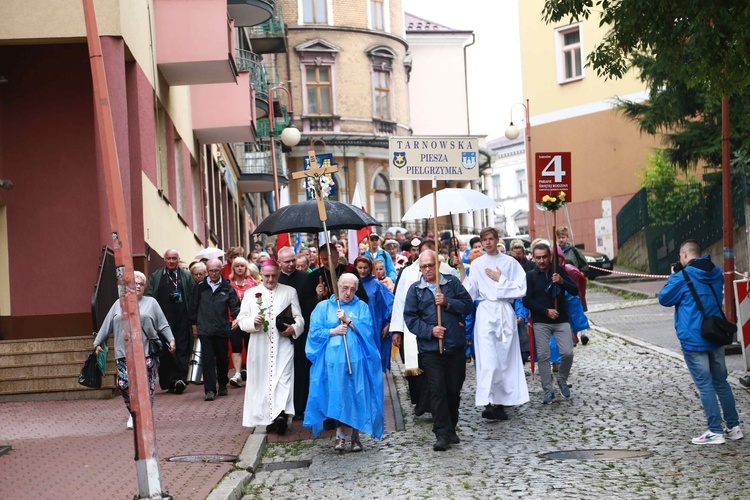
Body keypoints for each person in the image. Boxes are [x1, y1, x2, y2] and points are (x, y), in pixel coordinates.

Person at [658, 240, 743, 444]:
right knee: (721, 382)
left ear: (685, 254)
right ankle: (733, 427)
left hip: (694, 338)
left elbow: (664, 298)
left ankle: (715, 431)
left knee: (704, 385)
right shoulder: (716, 272)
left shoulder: (682, 276)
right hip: (714, 335)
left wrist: (674, 276)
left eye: (680, 256)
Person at [304, 273, 384, 451]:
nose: (348, 293)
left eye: (352, 289)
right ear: (337, 287)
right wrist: (333, 330)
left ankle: (356, 436)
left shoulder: (362, 307)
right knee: (337, 396)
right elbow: (314, 332)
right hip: (332, 362)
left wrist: (349, 321)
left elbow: (369, 332)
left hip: (357, 361)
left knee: (357, 394)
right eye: (344, 288)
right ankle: (340, 435)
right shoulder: (323, 307)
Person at [404, 250, 474, 451]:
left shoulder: (451, 283)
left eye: (430, 266)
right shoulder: (416, 290)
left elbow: (468, 305)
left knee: (453, 388)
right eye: (423, 267)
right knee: (437, 390)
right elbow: (410, 318)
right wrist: (430, 331)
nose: (427, 270)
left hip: (454, 345)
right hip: (430, 349)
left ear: (437, 266)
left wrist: (447, 302)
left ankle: (451, 426)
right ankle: (441, 432)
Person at [460, 227, 529, 420]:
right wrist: (461, 269)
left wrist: (501, 280)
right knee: (488, 359)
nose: (488, 243)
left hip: (504, 312)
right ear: (481, 242)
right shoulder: (477, 264)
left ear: (497, 240)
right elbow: (471, 291)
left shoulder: (510, 262)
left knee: (504, 358)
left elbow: (520, 288)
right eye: (485, 240)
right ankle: (490, 401)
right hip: (485, 312)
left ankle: (502, 401)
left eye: (491, 239)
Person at [94, 271, 175, 429]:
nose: (137, 286)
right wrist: (97, 342)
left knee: (146, 385)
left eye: (140, 284)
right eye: (134, 284)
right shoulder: (119, 303)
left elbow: (162, 323)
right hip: (124, 352)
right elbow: (107, 324)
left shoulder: (151, 303)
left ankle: (144, 415)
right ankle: (133, 412)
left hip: (146, 351)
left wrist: (170, 339)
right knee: (124, 384)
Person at [237, 260, 304, 435]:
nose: (270, 279)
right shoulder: (251, 294)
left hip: (283, 345)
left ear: (279, 274)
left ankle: (280, 414)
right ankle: (269, 418)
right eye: (266, 276)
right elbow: (241, 320)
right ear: (261, 274)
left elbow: (300, 319)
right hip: (260, 346)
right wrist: (253, 321)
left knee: (283, 380)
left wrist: (294, 328)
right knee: (263, 382)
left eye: (274, 275)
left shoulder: (290, 292)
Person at [523, 242, 579, 404]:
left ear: (550, 257)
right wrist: (545, 310)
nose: (541, 261)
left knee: (568, 353)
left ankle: (561, 379)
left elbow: (574, 290)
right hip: (541, 321)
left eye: (544, 257)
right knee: (543, 356)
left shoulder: (559, 271)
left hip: (561, 320)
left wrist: (562, 281)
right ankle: (548, 390)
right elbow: (527, 301)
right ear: (533, 258)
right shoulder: (531, 275)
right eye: (538, 257)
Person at [188, 258, 241, 401]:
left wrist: (237, 319)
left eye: (216, 271)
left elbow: (235, 305)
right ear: (207, 271)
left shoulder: (226, 287)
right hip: (205, 329)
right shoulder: (200, 287)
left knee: (222, 359)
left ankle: (222, 383)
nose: (213, 273)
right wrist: (194, 325)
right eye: (210, 271)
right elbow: (193, 307)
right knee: (208, 360)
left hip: (222, 329)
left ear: (221, 271)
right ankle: (210, 390)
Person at [145, 248, 196, 394]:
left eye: (175, 258)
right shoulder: (156, 276)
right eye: (169, 258)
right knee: (165, 351)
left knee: (182, 349)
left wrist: (193, 319)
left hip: (182, 319)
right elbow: (149, 295)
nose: (172, 261)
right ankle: (170, 381)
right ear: (164, 259)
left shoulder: (186, 276)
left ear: (178, 260)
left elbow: (192, 296)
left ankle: (180, 379)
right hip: (162, 321)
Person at [277, 246, 312, 420]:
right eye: (287, 262)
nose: (291, 264)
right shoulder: (275, 280)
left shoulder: (306, 278)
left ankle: (300, 406)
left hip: (302, 330)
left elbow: (311, 305)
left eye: (293, 261)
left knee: (301, 368)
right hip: (281, 332)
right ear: (279, 263)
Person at [354, 256, 395, 372]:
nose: (362, 271)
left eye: (365, 268)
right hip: (356, 325)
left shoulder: (376, 285)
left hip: (374, 325)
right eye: (360, 268)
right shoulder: (352, 283)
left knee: (373, 359)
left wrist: (388, 323)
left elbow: (389, 303)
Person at [228, 257, 258, 387]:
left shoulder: (253, 283)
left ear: (246, 268)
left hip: (249, 320)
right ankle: (238, 374)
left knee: (250, 346)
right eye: (237, 266)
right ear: (233, 268)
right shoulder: (228, 283)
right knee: (236, 346)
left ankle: (253, 373)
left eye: (242, 266)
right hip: (233, 320)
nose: (240, 268)